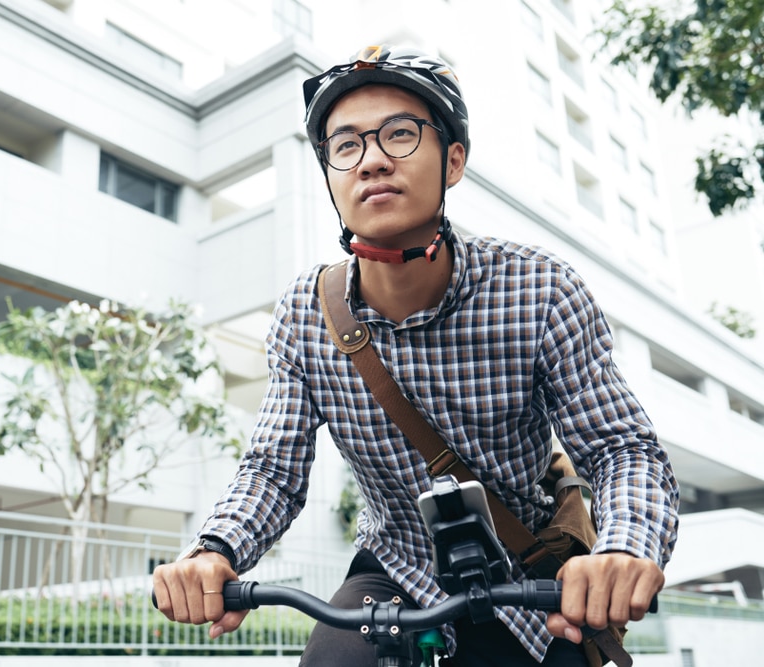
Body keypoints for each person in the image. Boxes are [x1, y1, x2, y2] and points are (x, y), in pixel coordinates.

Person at [152, 44, 679, 666]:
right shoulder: (304, 312)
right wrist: (215, 550)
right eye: (346, 145)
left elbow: (621, 448)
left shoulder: (540, 289)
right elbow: (273, 468)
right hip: (395, 565)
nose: (372, 160)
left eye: (400, 134)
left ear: (453, 161)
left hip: (533, 575)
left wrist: (622, 550)